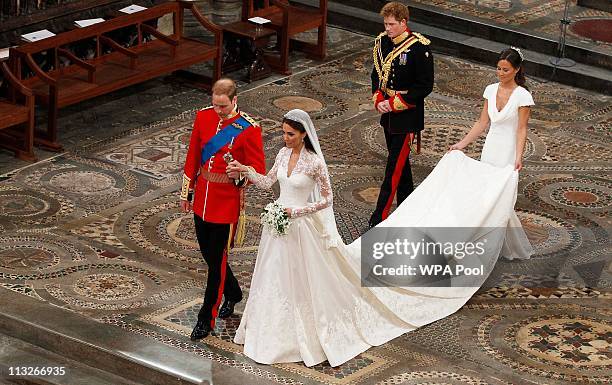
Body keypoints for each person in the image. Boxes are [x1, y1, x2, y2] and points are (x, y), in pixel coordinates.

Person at [180, 78, 266, 341]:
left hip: (226, 202)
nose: (218, 110)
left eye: (223, 106)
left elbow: (257, 171)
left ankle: (206, 318)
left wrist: (240, 173)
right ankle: (234, 291)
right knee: (209, 255)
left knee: (216, 263)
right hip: (203, 196)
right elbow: (194, 154)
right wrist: (187, 192)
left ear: (234, 100)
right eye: (215, 105)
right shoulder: (203, 117)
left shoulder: (248, 129)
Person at [450, 47, 534, 260]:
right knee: (487, 193)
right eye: (498, 68)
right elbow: (482, 122)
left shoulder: (523, 96)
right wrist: (463, 143)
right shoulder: (490, 90)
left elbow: (522, 128)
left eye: (505, 70)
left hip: (508, 150)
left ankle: (489, 245)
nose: (500, 73)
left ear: (516, 70)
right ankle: (485, 243)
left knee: (500, 196)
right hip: (491, 147)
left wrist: (518, 156)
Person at [369, 1, 434, 228]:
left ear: (404, 23)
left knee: (393, 169)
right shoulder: (382, 43)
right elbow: (376, 74)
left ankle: (379, 219)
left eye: (392, 24)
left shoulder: (419, 48)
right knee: (401, 167)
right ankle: (409, 208)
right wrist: (378, 98)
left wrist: (395, 103)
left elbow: (424, 86)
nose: (388, 29)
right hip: (388, 114)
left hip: (407, 115)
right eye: (386, 24)